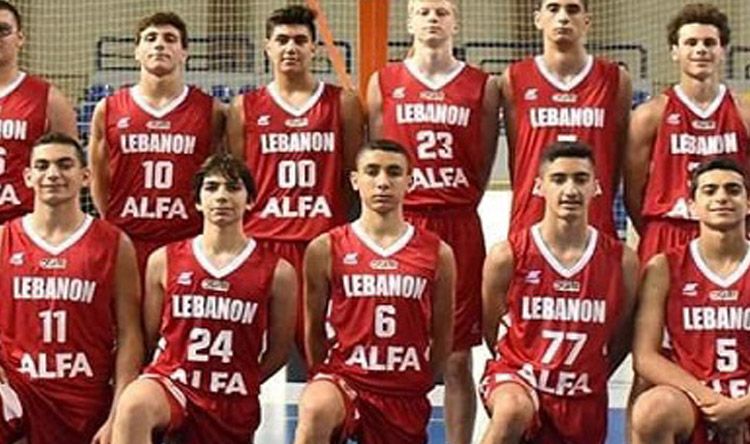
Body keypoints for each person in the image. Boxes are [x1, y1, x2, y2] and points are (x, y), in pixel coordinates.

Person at [366, 1, 500, 440]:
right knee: (394, 347)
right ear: (409, 21)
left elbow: (482, 163)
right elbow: (379, 157)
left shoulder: (482, 86)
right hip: (403, 224)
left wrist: (456, 197)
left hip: (458, 221)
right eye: (423, 11)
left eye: (442, 12)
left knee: (458, 356)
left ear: (455, 21)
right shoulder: (384, 82)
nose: (432, 19)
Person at [111, 153, 296, 444]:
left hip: (231, 400)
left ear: (250, 201)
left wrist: (243, 381)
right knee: (135, 405)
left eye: (233, 188)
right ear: (198, 201)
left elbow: (279, 351)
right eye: (211, 187)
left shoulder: (279, 272)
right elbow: (150, 337)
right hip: (174, 384)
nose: (222, 196)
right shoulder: (164, 260)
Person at [293, 140, 455, 444]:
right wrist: (322, 376)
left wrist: (421, 380)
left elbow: (443, 332)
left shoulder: (438, 252)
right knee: (316, 407)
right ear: (355, 180)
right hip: (346, 379)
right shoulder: (326, 247)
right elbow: (313, 327)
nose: (382, 182)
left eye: (394, 172)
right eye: (372, 171)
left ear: (409, 182)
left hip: (402, 390)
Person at [479, 142, 638, 444]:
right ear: (539, 186)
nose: (570, 190)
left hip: (582, 396)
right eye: (558, 179)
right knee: (511, 410)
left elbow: (623, 333)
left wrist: (594, 372)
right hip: (520, 380)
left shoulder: (622, 261)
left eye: (581, 179)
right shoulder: (508, 255)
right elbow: (491, 326)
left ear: (596, 187)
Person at [227, 4, 363, 356]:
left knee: (323, 351)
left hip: (320, 241)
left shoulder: (342, 103)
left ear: (313, 48)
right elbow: (239, 177)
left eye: (301, 40)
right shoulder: (244, 107)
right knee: (242, 350)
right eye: (282, 40)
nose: (291, 47)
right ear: (267, 47)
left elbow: (351, 176)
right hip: (262, 240)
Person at [0, 132, 142, 443]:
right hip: (21, 393)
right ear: (28, 177)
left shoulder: (114, 243)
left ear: (85, 176)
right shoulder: (4, 239)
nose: (53, 174)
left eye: (64, 165)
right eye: (42, 166)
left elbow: (130, 334)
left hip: (85, 398)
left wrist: (118, 412)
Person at [89, 11, 225, 280]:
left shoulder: (212, 111)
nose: (160, 44)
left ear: (184, 53)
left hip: (187, 239)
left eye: (170, 39)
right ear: (137, 52)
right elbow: (98, 176)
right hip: (127, 238)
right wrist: (115, 218)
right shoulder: (109, 108)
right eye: (150, 38)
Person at [631, 157, 750, 444]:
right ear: (692, 206)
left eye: (733, 190)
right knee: (652, 410)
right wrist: (712, 402)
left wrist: (741, 407)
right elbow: (645, 356)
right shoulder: (664, 267)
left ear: (748, 203)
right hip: (693, 396)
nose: (722, 197)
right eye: (709, 190)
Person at [624, 3, 750, 263]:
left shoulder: (744, 112)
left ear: (723, 51)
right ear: (675, 51)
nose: (700, 50)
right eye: (691, 43)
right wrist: (656, 230)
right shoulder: (649, 115)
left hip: (732, 230)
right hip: (668, 229)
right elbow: (633, 192)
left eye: (709, 43)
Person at [504, 0, 632, 239]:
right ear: (538, 19)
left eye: (572, 9)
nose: (563, 17)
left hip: (594, 214)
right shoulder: (514, 77)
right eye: (553, 9)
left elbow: (617, 157)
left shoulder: (615, 79)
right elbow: (516, 157)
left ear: (587, 21)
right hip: (532, 214)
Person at [0, 0, 77, 223]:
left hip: (23, 225)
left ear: (20, 38)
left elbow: (70, 170)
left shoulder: (49, 99)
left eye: (3, 30)